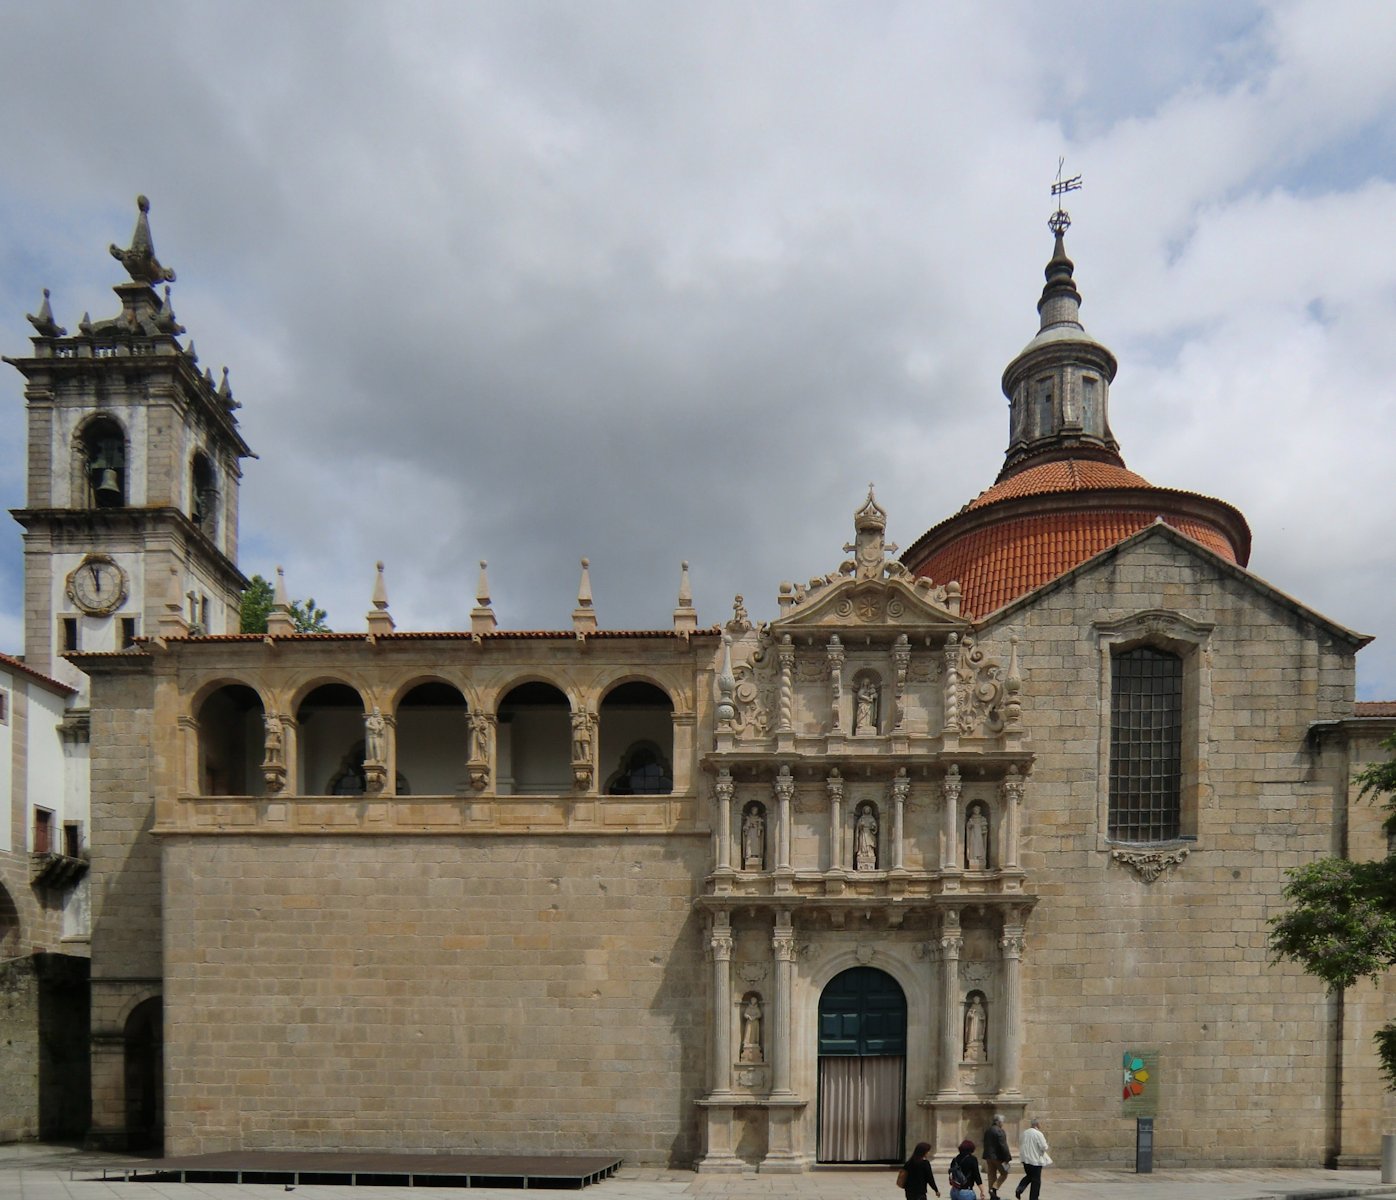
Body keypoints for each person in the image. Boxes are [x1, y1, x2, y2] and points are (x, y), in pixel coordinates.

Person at [1014, 1118, 1051, 1200]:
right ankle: (1033, 1198)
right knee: (1036, 1181)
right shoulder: (1038, 1134)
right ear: (1037, 1124)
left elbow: (1020, 1143)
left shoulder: (1024, 1133)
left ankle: (1019, 1189)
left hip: (1025, 1160)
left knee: (1029, 1176)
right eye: (1040, 1123)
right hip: (1035, 1161)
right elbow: (1044, 1147)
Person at [983, 1114, 1012, 1200]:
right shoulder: (999, 1131)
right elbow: (1003, 1145)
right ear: (998, 1122)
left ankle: (993, 1194)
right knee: (1004, 1173)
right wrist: (1007, 1158)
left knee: (991, 1175)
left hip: (988, 1156)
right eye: (1002, 1122)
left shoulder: (988, 1130)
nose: (1002, 1124)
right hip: (998, 1157)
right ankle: (994, 1188)